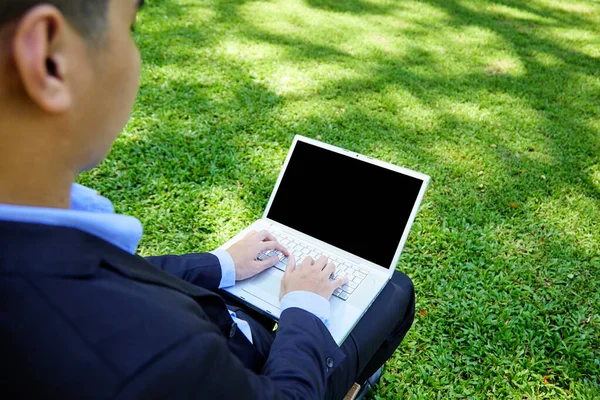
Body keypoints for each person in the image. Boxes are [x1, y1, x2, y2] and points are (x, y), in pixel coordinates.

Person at [0, 1, 416, 399]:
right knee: (395, 290)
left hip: (219, 318)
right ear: (50, 61)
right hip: (261, 366)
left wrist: (221, 264)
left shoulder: (32, 249)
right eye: (131, 27)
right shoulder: (154, 357)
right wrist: (304, 306)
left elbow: (130, 272)